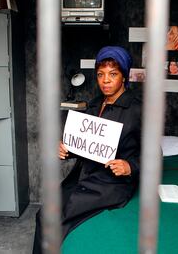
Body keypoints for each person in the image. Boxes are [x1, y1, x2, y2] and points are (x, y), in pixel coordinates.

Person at [33, 46, 142, 253]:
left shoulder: (137, 109)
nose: (106, 80)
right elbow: (87, 144)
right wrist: (66, 149)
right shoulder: (93, 105)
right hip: (82, 175)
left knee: (57, 222)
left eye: (113, 74)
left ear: (124, 76)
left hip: (110, 183)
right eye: (101, 74)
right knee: (43, 215)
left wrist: (130, 166)